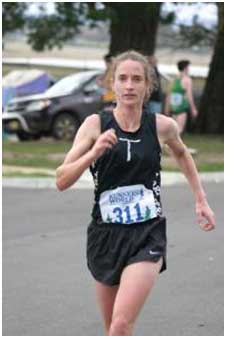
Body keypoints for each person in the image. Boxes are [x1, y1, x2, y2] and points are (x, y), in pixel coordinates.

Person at [56, 50, 215, 336]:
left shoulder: (162, 126)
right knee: (113, 330)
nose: (129, 85)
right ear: (112, 84)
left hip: (147, 232)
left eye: (137, 79)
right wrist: (93, 152)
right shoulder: (95, 125)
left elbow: (182, 154)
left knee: (120, 325)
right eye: (123, 79)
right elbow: (62, 179)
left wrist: (201, 200)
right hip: (105, 234)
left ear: (147, 86)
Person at [165, 59, 198, 134]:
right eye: (188, 67)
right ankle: (174, 144)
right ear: (185, 68)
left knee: (174, 129)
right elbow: (189, 96)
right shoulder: (187, 80)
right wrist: (193, 109)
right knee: (179, 129)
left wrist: (166, 108)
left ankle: (171, 144)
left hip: (173, 108)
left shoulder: (173, 80)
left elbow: (168, 95)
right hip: (182, 108)